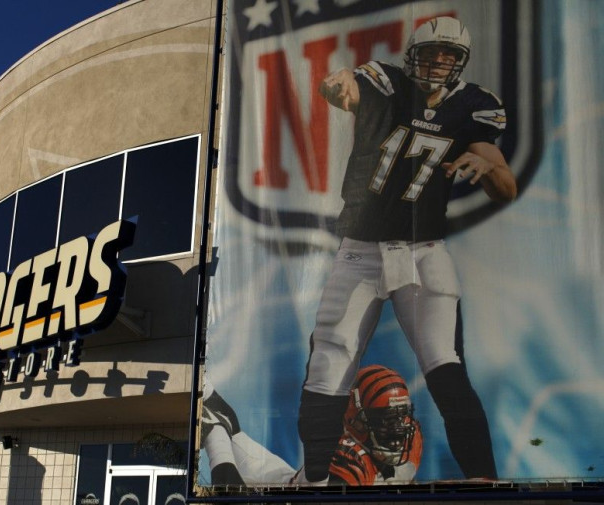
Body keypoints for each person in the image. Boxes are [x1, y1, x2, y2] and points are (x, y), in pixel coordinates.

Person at [297, 16, 516, 484]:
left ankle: (483, 479)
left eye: (448, 55)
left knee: (445, 363)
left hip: (424, 251)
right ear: (411, 54)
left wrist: (484, 163)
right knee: (329, 363)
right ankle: (315, 481)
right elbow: (347, 89)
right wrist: (338, 87)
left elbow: (506, 185)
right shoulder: (386, 82)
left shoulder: (472, 107)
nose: (438, 62)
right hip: (360, 249)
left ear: (460, 62)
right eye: (431, 51)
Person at [201, 365, 422, 487]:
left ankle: (214, 410)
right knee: (228, 491)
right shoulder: (349, 459)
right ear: (356, 419)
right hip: (282, 494)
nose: (398, 429)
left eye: (400, 416)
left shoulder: (411, 439)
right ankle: (215, 434)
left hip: (283, 477)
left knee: (235, 432)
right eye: (385, 418)